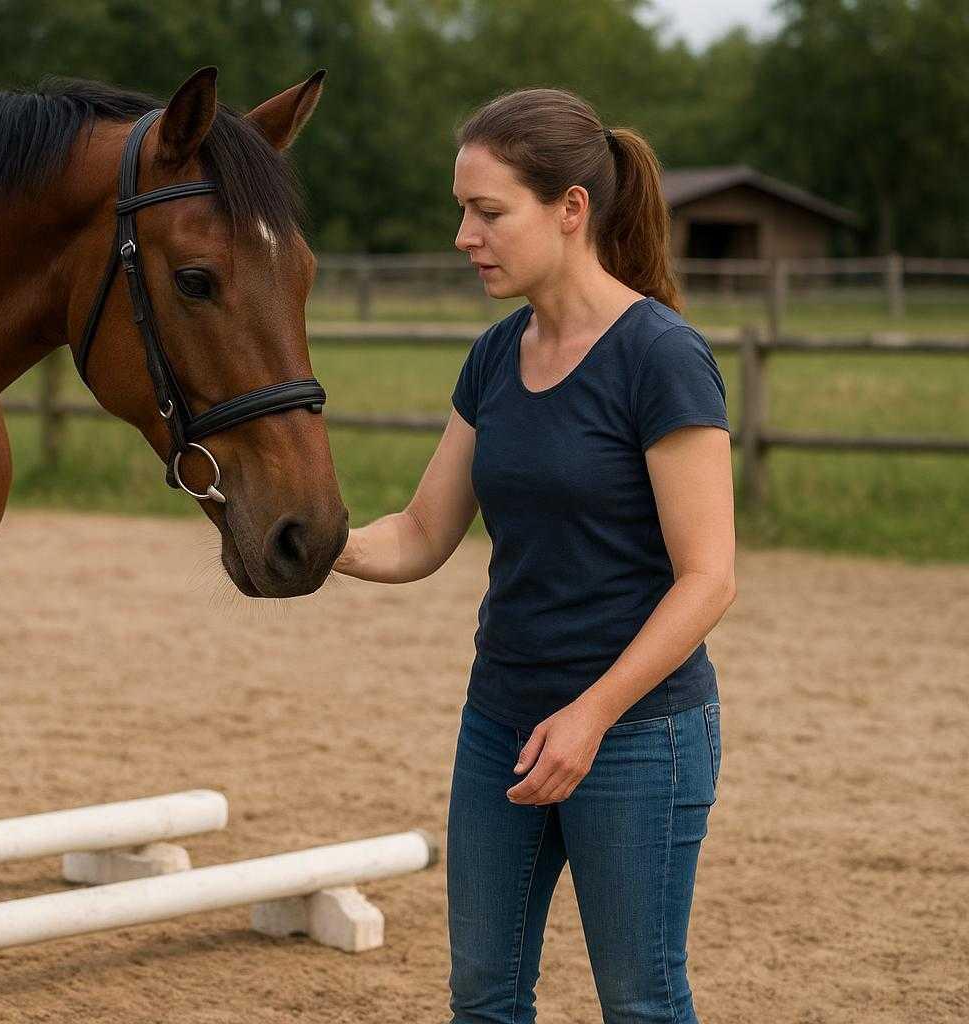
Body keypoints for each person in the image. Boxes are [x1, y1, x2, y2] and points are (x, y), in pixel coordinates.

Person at [332, 88, 736, 1023]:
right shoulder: (495, 354)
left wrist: (590, 717)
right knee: (483, 993)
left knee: (640, 1000)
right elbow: (424, 532)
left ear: (571, 209)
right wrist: (312, 546)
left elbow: (708, 577)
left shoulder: (661, 356)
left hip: (638, 736)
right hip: (500, 723)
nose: (466, 235)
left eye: (489, 211)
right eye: (461, 211)